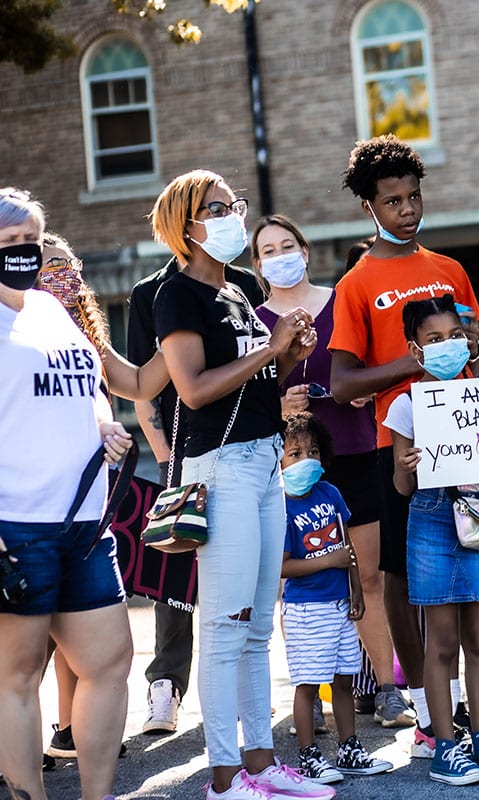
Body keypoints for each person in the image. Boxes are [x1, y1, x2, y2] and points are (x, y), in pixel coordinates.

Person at [148, 169, 332, 800]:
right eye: (217, 208)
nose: (232, 216)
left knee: (257, 627)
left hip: (264, 460)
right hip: (218, 466)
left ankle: (260, 763)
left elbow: (260, 382)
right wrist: (266, 349)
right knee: (226, 626)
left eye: (235, 205)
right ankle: (224, 777)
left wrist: (288, 352)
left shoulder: (241, 288)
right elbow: (194, 389)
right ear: (186, 225)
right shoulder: (177, 294)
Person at [330, 135, 479, 759]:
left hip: (466, 436)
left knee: (471, 558)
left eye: (414, 196)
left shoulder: (449, 271)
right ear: (369, 207)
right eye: (392, 200)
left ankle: (470, 715)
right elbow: (343, 383)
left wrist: (459, 352)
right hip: (395, 441)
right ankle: (427, 709)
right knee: (398, 577)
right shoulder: (356, 283)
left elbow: (473, 346)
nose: (407, 209)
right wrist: (412, 363)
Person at [250, 215, 411, 729]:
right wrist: (277, 403)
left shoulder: (343, 299)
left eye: (287, 245)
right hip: (295, 470)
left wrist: (362, 388)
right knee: (303, 584)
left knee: (368, 575)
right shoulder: (254, 320)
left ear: (305, 248)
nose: (280, 256)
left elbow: (372, 363)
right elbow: (241, 399)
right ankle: (310, 696)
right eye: (268, 250)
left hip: (359, 451)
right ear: (256, 265)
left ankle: (387, 689)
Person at [0, 187, 135, 800]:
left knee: (108, 662)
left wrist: (103, 420)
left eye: (31, 240)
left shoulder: (50, 312)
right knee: (18, 676)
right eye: (10, 243)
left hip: (84, 521)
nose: (23, 253)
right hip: (16, 524)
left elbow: (88, 385)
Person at [383, 295, 479, 785]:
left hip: (477, 519)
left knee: (478, 637)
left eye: (454, 336)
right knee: (442, 640)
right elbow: (401, 487)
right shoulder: (406, 404)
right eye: (434, 340)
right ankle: (445, 746)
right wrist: (408, 467)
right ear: (416, 349)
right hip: (429, 522)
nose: (447, 346)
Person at [36, 232, 168, 763]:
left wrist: (177, 339)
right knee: (27, 648)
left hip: (88, 513)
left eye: (70, 265)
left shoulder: (88, 338)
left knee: (85, 638)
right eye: (49, 267)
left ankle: (71, 730)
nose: (63, 276)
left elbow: (137, 383)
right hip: (31, 512)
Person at [127, 238, 264, 736]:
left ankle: (239, 696)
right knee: (175, 570)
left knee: (242, 583)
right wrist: (167, 458)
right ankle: (166, 684)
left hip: (250, 447)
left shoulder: (244, 285)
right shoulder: (153, 293)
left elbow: (258, 364)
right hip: (187, 454)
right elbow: (146, 387)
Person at [279, 412, 392, 784]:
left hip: (342, 605)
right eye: (294, 453)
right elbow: (284, 567)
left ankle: (349, 748)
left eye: (312, 451)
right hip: (306, 609)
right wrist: (329, 560)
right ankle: (310, 756)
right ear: (278, 459)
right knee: (309, 684)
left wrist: (356, 590)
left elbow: (349, 549)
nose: (305, 459)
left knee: (345, 678)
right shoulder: (280, 507)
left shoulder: (331, 493)